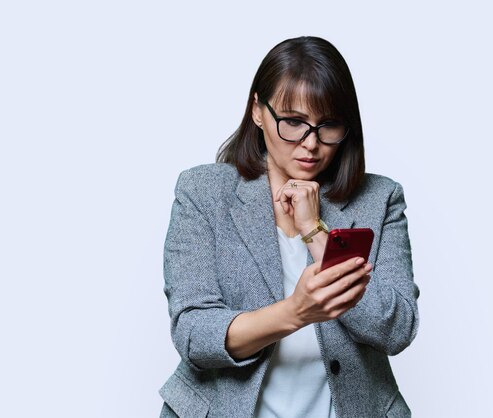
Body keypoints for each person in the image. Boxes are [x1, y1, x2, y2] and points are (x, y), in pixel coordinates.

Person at [159, 36, 420, 418]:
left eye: (328, 125)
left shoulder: (379, 199)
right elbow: (194, 333)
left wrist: (316, 232)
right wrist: (296, 311)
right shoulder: (203, 192)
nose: (311, 144)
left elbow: (397, 328)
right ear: (258, 112)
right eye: (293, 123)